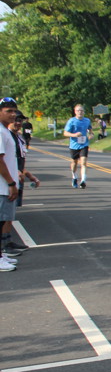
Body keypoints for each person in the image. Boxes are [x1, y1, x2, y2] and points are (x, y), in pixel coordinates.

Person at [0, 97, 22, 270]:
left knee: (2, 221)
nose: (13, 114)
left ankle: (1, 255)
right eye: (8, 111)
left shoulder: (5, 130)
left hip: (6, 185)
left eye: (14, 111)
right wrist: (10, 183)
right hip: (2, 186)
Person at [63, 103, 93, 188]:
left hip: (84, 144)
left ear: (84, 112)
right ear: (75, 112)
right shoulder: (71, 121)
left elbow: (90, 130)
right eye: (78, 110)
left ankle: (83, 181)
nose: (80, 112)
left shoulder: (87, 120)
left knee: (83, 162)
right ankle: (74, 177)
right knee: (74, 162)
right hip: (74, 145)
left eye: (82, 110)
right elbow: (65, 133)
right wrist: (74, 135)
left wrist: (91, 134)